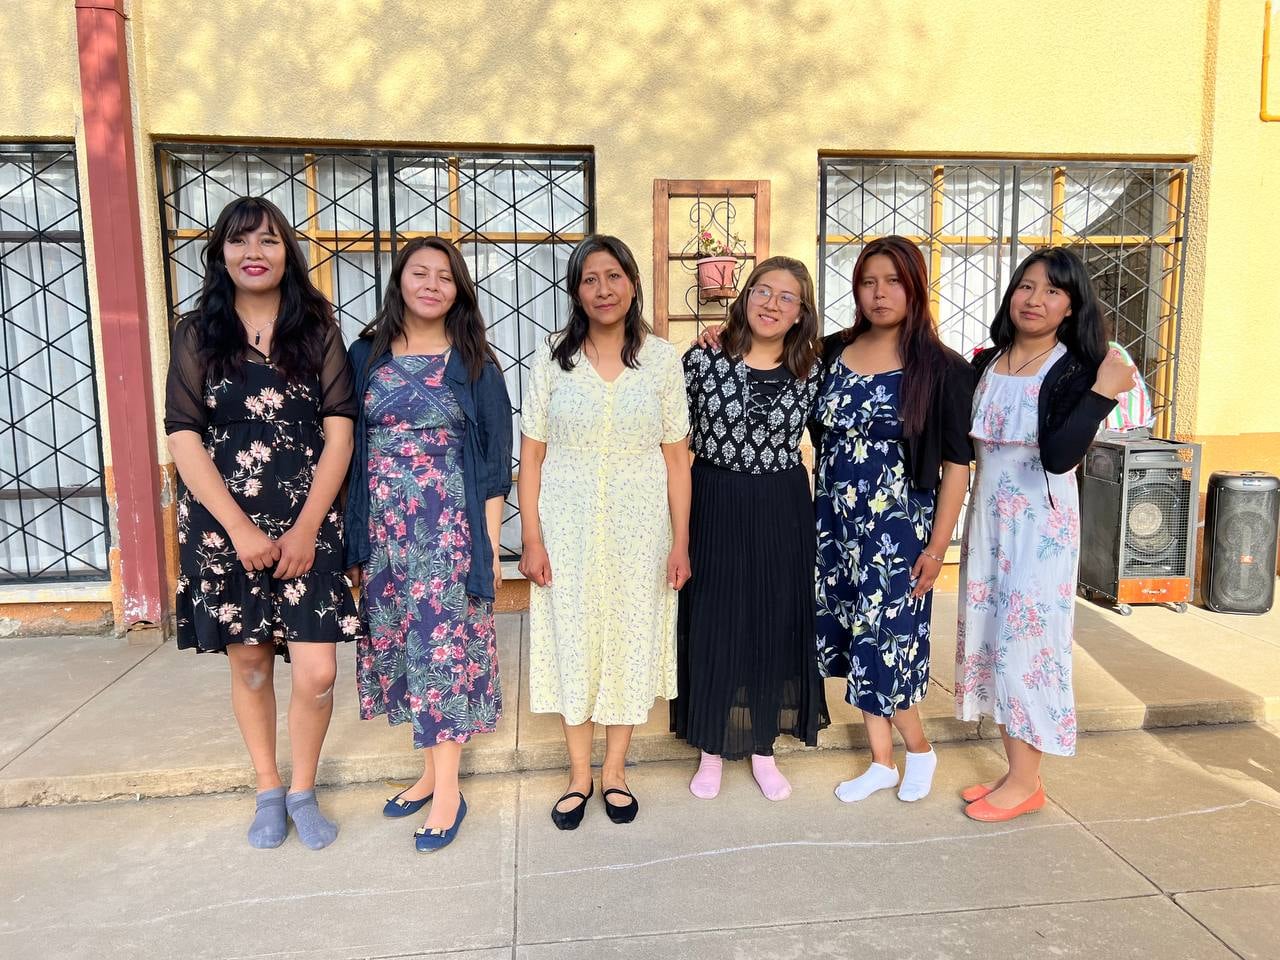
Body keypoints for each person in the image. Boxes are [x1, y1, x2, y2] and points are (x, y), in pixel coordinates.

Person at [165, 196, 360, 850]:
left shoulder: (319, 330)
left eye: (269, 240)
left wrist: (306, 528)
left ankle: (304, 789)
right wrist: (240, 531)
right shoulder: (196, 334)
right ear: (220, 253)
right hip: (225, 527)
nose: (254, 252)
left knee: (317, 672)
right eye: (240, 240)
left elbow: (340, 434)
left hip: (309, 521)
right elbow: (184, 436)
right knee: (250, 664)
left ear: (287, 254)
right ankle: (269, 789)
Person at [956, 246, 1137, 822]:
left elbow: (1060, 456)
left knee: (1027, 648)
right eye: (1026, 286)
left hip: (1040, 528)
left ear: (1071, 306)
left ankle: (1026, 783)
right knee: (992, 641)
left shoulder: (1077, 370)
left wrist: (1103, 393)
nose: (1035, 300)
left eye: (1053, 291)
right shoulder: (987, 361)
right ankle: (1016, 771)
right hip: (989, 523)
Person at [343, 237, 511, 852]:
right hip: (385, 531)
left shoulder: (475, 362)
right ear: (400, 281)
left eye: (445, 276)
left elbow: (494, 461)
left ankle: (449, 791)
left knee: (442, 653)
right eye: (421, 272)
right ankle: (429, 773)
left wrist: (486, 546)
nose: (432, 284)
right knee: (405, 649)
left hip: (448, 530)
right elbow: (348, 447)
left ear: (458, 290)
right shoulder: (365, 355)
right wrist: (355, 537)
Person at [518, 234, 691, 829]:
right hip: (566, 528)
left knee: (627, 640)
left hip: (641, 530)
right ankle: (578, 775)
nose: (603, 289)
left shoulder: (663, 361)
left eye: (614, 276)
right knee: (574, 640)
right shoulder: (552, 357)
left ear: (633, 284)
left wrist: (681, 541)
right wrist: (532, 537)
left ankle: (615, 770)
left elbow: (676, 458)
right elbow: (532, 455)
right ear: (576, 292)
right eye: (589, 279)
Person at [811, 237, 974, 805]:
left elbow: (957, 466)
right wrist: (718, 335)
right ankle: (882, 763)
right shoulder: (831, 351)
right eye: (868, 282)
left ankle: (920, 749)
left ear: (915, 287)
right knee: (859, 641)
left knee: (888, 642)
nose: (879, 294)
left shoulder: (943, 368)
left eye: (893, 282)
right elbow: (765, 352)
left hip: (898, 531)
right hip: (834, 526)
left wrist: (937, 547)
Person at [673, 256, 828, 802]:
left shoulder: (813, 370)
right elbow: (672, 442)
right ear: (745, 296)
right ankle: (711, 747)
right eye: (762, 290)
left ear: (801, 312)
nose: (771, 304)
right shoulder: (703, 359)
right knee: (714, 619)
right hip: (714, 497)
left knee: (772, 620)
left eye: (786, 297)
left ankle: (763, 746)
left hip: (781, 505)